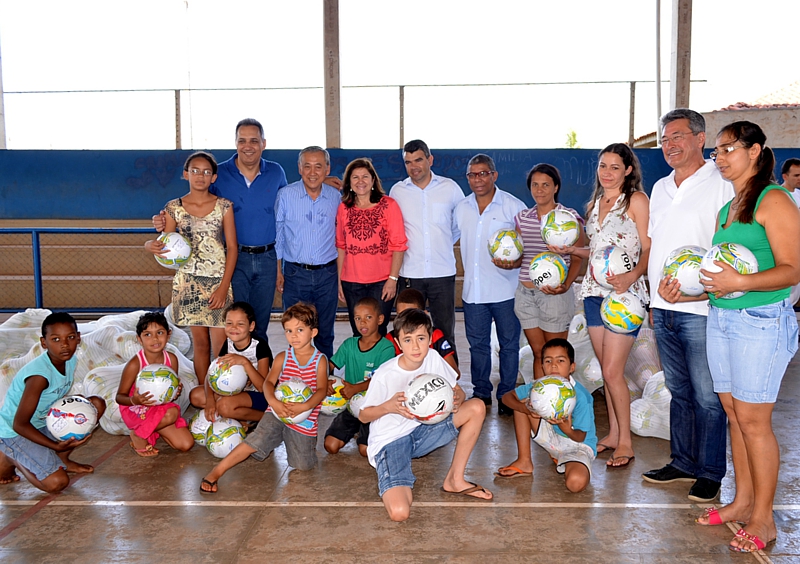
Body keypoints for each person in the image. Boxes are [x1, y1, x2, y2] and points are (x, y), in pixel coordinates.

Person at [698, 121, 800, 553]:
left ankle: (764, 517)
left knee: (755, 421)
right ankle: (741, 502)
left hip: (761, 321)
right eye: (715, 152)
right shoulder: (729, 207)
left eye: (726, 149)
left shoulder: (773, 199)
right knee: (734, 414)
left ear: (755, 150)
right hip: (721, 318)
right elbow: (725, 272)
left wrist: (740, 279)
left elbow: (793, 268)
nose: (718, 158)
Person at [642, 109, 734, 502]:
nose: (670, 145)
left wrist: (702, 292)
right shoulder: (661, 187)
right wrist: (652, 300)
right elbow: (655, 245)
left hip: (702, 308)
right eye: (664, 139)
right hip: (663, 307)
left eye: (678, 136)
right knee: (678, 390)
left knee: (707, 396)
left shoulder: (721, 182)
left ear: (701, 138)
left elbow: (730, 245)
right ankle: (682, 461)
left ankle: (711, 471)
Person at [152, 119, 288, 343]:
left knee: (260, 325)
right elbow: (196, 204)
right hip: (232, 259)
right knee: (236, 325)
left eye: (254, 140)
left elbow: (289, 203)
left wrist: (323, 183)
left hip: (267, 257)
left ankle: (259, 374)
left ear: (263, 143)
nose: (248, 145)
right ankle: (236, 374)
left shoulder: (276, 171)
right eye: (242, 140)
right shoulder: (219, 173)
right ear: (235, 143)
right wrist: (164, 218)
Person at [562, 143, 650, 468]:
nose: (607, 172)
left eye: (615, 166)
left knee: (613, 371)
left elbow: (648, 248)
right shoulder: (595, 203)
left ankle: (625, 443)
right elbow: (598, 251)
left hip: (625, 297)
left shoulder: (637, 201)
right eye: (603, 166)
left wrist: (632, 276)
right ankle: (613, 433)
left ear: (628, 170)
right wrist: (573, 251)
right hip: (592, 293)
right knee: (607, 372)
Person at [359, 308, 492, 522]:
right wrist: (389, 406)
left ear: (430, 338)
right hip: (391, 441)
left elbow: (457, 389)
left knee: (476, 406)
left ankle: (455, 480)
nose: (415, 346)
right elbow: (364, 416)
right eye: (408, 340)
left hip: (424, 431)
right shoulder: (386, 373)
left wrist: (457, 397)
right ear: (398, 343)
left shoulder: (432, 356)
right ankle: (394, 474)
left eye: (421, 338)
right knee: (400, 512)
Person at [199, 303, 328, 494]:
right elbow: (268, 384)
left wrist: (304, 407)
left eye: (300, 330)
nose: (294, 335)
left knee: (303, 466)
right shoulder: (283, 357)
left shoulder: (320, 360)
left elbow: (322, 389)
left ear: (313, 332)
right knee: (255, 440)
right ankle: (216, 472)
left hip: (303, 420)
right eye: (289, 330)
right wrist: (274, 403)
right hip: (276, 412)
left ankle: (286, 437)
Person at [147, 151, 237, 382]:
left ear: (214, 178)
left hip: (218, 283)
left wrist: (223, 286)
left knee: (220, 345)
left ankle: (222, 390)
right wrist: (151, 244)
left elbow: (233, 248)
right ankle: (204, 392)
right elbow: (166, 244)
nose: (201, 176)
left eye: (207, 172)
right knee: (200, 344)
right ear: (185, 174)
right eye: (195, 170)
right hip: (188, 284)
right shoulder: (173, 208)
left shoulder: (224, 206)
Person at [0, 313, 106, 493]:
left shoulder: (69, 359)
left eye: (70, 338)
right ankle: (11, 457)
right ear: (44, 342)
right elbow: (19, 424)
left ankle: (62, 459)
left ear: (78, 338)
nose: (64, 345)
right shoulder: (39, 377)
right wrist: (55, 446)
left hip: (42, 421)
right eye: (56, 339)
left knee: (94, 405)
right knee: (57, 483)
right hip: (14, 431)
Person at [454, 154, 526, 415]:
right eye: (473, 174)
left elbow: (527, 245)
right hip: (474, 293)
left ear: (494, 175)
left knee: (509, 345)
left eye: (483, 173)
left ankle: (507, 395)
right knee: (478, 346)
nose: (478, 179)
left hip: (507, 291)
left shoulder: (512, 206)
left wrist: (517, 263)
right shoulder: (461, 208)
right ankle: (481, 392)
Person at [389, 140, 466, 356]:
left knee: (444, 331)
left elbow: (458, 224)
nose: (414, 166)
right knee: (409, 332)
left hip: (442, 273)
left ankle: (449, 381)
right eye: (408, 162)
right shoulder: (397, 191)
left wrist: (440, 243)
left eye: (419, 160)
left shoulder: (450, 188)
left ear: (430, 160)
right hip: (410, 274)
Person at [514, 163, 585, 381]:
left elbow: (577, 256)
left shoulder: (568, 218)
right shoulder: (522, 218)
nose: (540, 189)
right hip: (525, 295)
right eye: (535, 185)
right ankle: (540, 403)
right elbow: (519, 258)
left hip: (554, 295)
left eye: (546, 184)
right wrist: (507, 262)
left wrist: (566, 284)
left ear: (556, 187)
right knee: (539, 354)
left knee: (556, 357)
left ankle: (559, 403)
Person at [496, 339, 596, 492]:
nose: (554, 365)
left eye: (560, 360)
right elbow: (506, 398)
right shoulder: (539, 387)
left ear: (572, 367)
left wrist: (567, 429)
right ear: (542, 366)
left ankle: (566, 460)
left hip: (577, 445)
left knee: (575, 484)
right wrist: (524, 408)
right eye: (548, 361)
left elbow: (581, 436)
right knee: (523, 403)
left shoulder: (581, 396)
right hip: (551, 438)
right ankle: (524, 461)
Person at [275, 147, 340, 360]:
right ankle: (297, 378)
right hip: (295, 274)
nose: (313, 172)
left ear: (327, 169)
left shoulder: (335, 196)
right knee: (296, 332)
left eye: (318, 166)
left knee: (325, 333)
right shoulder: (286, 195)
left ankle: (325, 379)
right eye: (307, 166)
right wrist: (278, 271)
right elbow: (279, 235)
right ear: (299, 168)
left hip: (327, 274)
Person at [336, 158, 407, 337]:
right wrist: (339, 281)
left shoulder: (389, 205)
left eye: (365, 177)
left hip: (382, 282)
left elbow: (398, 244)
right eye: (355, 177)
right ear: (349, 183)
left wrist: (393, 279)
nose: (361, 181)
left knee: (378, 331)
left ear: (373, 180)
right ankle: (360, 366)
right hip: (351, 282)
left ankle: (379, 367)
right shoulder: (344, 208)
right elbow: (341, 246)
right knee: (358, 331)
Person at [324, 297, 395, 457]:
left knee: (365, 451)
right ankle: (355, 429)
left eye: (368, 317)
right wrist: (323, 380)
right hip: (350, 405)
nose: (362, 323)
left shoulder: (386, 348)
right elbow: (329, 366)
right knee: (330, 446)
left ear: (380, 319)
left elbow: (382, 380)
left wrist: (356, 388)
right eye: (358, 318)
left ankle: (372, 432)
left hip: (373, 407)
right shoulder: (349, 344)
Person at [117, 312, 194, 457]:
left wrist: (175, 392)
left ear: (168, 335)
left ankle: (153, 429)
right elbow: (120, 397)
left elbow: (170, 391)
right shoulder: (135, 364)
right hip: (137, 409)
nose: (155, 338)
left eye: (159, 332)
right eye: (147, 335)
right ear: (139, 339)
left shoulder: (171, 360)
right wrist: (135, 400)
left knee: (186, 444)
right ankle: (138, 435)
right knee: (172, 413)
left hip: (160, 409)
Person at [189, 302, 272, 425]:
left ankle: (268, 418)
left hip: (260, 396)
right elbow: (212, 374)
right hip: (235, 392)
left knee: (224, 406)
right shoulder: (228, 344)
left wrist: (244, 362)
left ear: (251, 326)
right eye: (229, 323)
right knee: (195, 395)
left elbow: (263, 388)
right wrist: (210, 400)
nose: (234, 328)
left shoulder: (260, 346)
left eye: (240, 324)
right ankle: (242, 417)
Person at [385, 288, 460, 377]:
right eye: (400, 315)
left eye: (411, 315)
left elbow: (454, 373)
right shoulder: (391, 338)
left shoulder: (435, 335)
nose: (406, 320)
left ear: (424, 314)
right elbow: (387, 374)